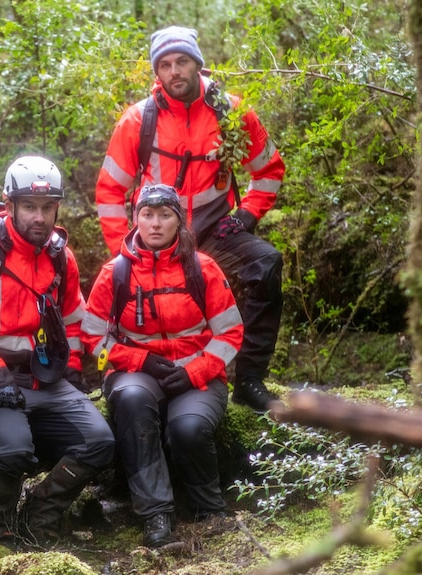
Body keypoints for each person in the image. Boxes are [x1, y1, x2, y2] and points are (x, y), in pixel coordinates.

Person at [94, 25, 285, 414]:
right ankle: (144, 378)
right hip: (156, 239)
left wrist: (247, 214)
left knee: (266, 264)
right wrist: (124, 254)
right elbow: (110, 192)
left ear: (197, 64)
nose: (174, 71)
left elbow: (268, 170)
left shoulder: (232, 112)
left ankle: (248, 379)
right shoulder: (137, 121)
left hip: (216, 231)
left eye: (182, 61)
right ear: (156, 72)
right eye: (165, 65)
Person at [0, 155, 116, 545]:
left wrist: (71, 367)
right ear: (10, 205)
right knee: (15, 448)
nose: (40, 217)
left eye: (48, 208)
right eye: (30, 207)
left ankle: (40, 511)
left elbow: (73, 320)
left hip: (48, 379)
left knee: (100, 442)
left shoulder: (59, 256)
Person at [82, 184, 243, 548]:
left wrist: (194, 371)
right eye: (147, 215)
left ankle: (209, 509)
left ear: (179, 221)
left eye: (165, 215)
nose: (155, 224)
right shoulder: (115, 273)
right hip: (137, 373)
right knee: (132, 401)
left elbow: (230, 333)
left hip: (197, 375)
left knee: (188, 429)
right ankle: (155, 513)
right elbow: (92, 338)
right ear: (135, 218)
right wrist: (138, 360)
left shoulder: (203, 268)